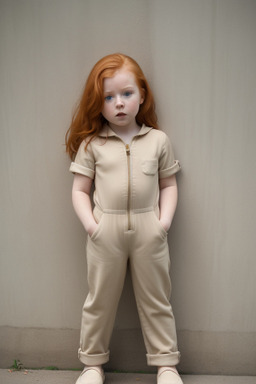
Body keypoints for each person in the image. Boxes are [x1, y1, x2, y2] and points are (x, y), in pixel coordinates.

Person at [65, 53, 183, 384]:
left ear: (142, 95)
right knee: (99, 299)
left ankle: (166, 365)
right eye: (108, 97)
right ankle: (92, 365)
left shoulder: (158, 140)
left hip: (150, 229)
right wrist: (93, 226)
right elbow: (79, 191)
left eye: (127, 94)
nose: (119, 103)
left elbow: (169, 184)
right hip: (106, 231)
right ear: (98, 103)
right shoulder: (92, 144)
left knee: (157, 297)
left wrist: (164, 223)